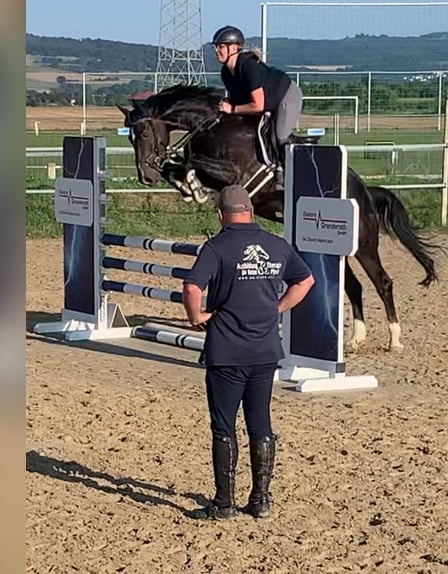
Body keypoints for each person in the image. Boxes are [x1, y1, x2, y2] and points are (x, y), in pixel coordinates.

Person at [182, 185, 315, 520]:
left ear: (220, 214)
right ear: (251, 211)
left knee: (224, 426)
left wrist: (196, 316)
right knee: (260, 424)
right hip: (265, 349)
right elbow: (306, 281)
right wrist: (277, 308)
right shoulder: (277, 245)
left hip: (227, 350)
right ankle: (261, 499)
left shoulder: (216, 247)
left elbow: (192, 285)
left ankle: (224, 502)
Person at [212, 25, 303, 186]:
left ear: (234, 48)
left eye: (220, 46)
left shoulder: (249, 67)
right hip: (267, 102)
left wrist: (232, 109)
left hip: (286, 96)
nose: (216, 50)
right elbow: (237, 101)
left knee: (280, 135)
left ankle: (285, 173)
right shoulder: (226, 72)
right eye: (216, 46)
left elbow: (257, 105)